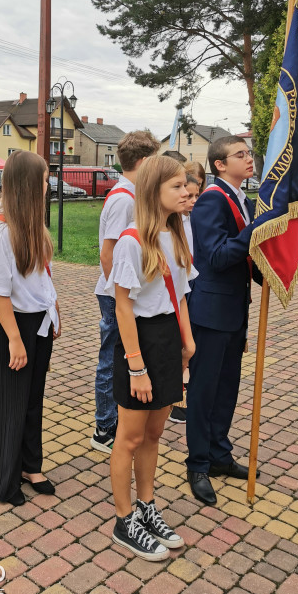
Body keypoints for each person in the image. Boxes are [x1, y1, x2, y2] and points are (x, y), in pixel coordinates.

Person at [107, 155, 194, 559]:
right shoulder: (131, 240)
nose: (186, 191)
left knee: (155, 434)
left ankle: (146, 506)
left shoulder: (175, 234)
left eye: (186, 185)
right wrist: (136, 367)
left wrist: (187, 341)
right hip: (138, 341)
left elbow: (182, 295)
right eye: (176, 186)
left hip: (167, 337)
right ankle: (124, 521)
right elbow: (123, 307)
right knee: (130, 437)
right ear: (153, 191)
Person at [186, 136, 261, 505]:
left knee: (227, 389)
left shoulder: (243, 199)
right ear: (219, 164)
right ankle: (198, 464)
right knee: (204, 392)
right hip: (212, 314)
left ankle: (219, 455)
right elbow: (214, 257)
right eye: (241, 154)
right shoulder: (212, 200)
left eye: (249, 153)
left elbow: (244, 258)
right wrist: (255, 231)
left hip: (234, 312)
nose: (249, 159)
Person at [0, 151, 60, 506]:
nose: (49, 185)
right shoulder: (1, 230)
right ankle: (4, 477)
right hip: (11, 323)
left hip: (37, 322)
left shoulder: (32, 224)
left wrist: (53, 309)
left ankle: (30, 465)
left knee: (31, 400)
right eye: (44, 179)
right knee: (9, 403)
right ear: (29, 184)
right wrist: (14, 339)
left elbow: (40, 275)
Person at [91, 131, 160, 454]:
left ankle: (116, 417)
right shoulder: (124, 199)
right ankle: (105, 427)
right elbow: (109, 253)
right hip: (115, 294)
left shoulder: (132, 194)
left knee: (118, 357)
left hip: (121, 293)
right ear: (145, 162)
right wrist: (120, 297)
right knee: (111, 360)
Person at [169, 174, 201, 425]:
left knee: (187, 342)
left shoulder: (191, 220)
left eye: (195, 195)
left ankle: (180, 395)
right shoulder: (173, 223)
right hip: (174, 288)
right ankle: (176, 399)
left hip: (189, 282)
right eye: (186, 194)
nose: (191, 200)